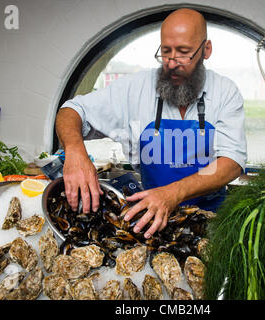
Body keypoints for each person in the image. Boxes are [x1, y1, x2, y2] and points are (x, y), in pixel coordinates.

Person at [55, 8, 247, 239]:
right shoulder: (135, 88)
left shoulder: (225, 91)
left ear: (206, 50)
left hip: (211, 221)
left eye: (184, 52)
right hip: (151, 219)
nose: (172, 63)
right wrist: (75, 151)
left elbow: (233, 161)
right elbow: (71, 110)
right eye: (166, 52)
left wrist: (173, 193)